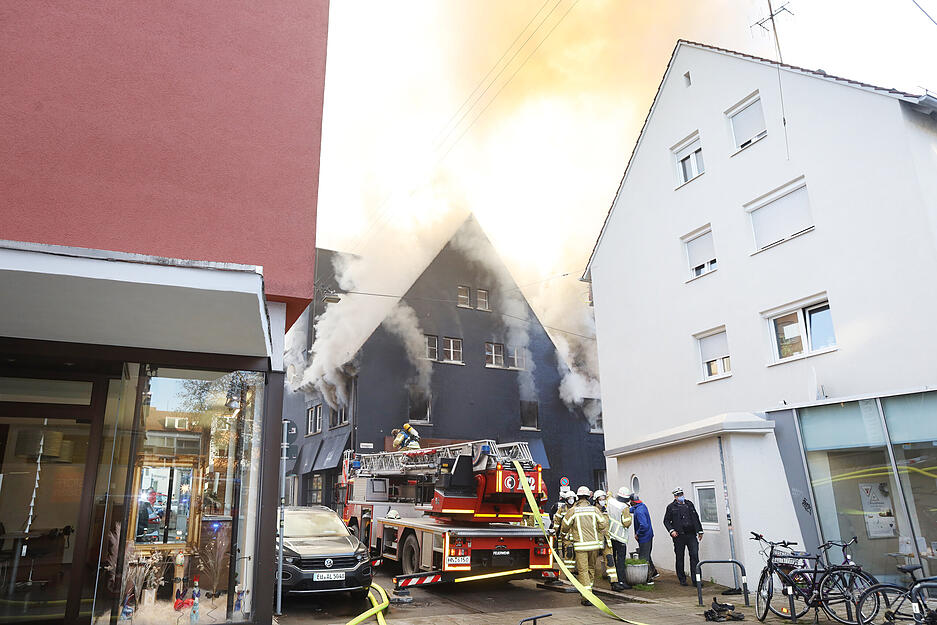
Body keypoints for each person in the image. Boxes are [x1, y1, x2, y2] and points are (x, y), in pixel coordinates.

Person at [562, 486, 609, 605]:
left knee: (583, 571)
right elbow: (603, 525)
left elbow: (565, 527)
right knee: (591, 569)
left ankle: (587, 597)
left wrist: (566, 533)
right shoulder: (595, 510)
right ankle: (589, 592)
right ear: (588, 497)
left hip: (581, 547)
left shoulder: (573, 511)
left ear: (577, 497)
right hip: (594, 546)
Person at [663, 486, 703, 586]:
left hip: (691, 534)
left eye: (681, 494)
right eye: (678, 495)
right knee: (680, 557)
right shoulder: (671, 507)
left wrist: (700, 531)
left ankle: (696, 580)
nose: (680, 496)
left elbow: (696, 517)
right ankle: (682, 579)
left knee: (694, 556)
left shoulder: (689, 504)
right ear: (675, 497)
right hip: (679, 536)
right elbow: (666, 521)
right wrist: (671, 531)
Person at [606, 487, 634, 590]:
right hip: (620, 537)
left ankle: (614, 581)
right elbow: (627, 523)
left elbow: (608, 495)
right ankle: (621, 581)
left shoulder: (610, 501)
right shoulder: (624, 507)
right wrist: (629, 515)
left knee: (612, 559)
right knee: (621, 560)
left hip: (610, 534)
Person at [629, 491, 659, 583]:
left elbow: (644, 525)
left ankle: (648, 579)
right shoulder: (641, 506)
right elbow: (632, 510)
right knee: (647, 554)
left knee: (644, 558)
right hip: (648, 535)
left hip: (644, 537)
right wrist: (625, 508)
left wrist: (637, 534)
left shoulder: (639, 511)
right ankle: (654, 572)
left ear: (632, 501)